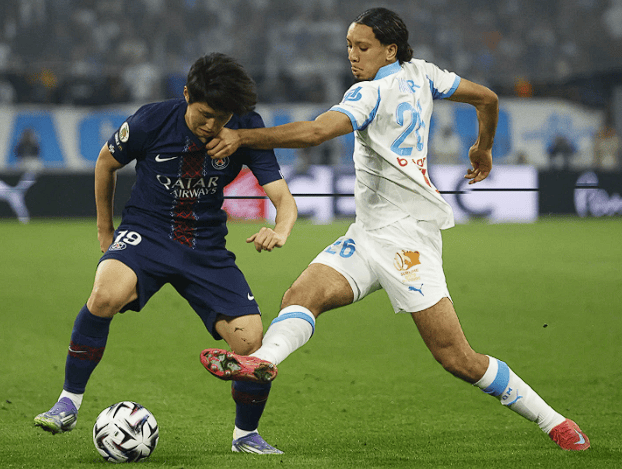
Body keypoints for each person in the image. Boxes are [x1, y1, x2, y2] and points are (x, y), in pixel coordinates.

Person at [199, 8, 589, 452]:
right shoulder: (424, 74)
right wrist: (483, 147)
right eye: (349, 45)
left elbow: (314, 133)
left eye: (362, 47)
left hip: (407, 242)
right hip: (367, 234)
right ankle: (262, 362)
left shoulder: (369, 93)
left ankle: (555, 422)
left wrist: (243, 138)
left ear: (390, 50)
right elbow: (487, 99)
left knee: (457, 358)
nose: (352, 55)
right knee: (301, 296)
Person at [34, 53, 297, 455]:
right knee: (104, 294)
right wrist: (105, 230)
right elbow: (105, 164)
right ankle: (67, 403)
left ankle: (246, 436)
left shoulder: (245, 127)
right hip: (147, 233)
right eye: (205, 115)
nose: (212, 126)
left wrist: (280, 230)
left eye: (222, 118)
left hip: (205, 246)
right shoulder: (152, 119)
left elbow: (283, 198)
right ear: (187, 94)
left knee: (250, 341)